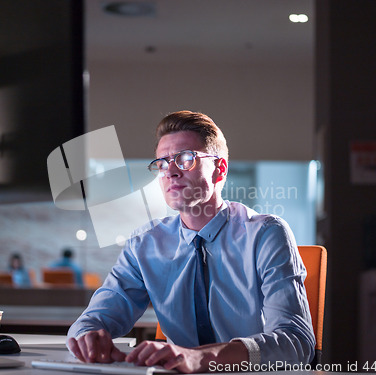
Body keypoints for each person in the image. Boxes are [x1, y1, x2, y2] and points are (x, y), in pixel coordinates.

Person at [67, 110, 315, 373]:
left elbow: (296, 344)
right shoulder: (144, 245)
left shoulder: (266, 234)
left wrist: (199, 358)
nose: (170, 172)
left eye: (186, 159)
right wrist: (89, 336)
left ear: (219, 170)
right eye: (162, 163)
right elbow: (92, 320)